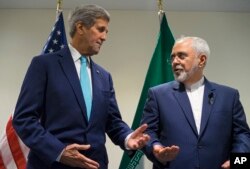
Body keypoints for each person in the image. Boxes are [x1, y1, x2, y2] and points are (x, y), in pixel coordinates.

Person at [12, 4, 150, 169]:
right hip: (52, 164)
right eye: (100, 29)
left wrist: (128, 138)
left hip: (95, 164)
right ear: (80, 27)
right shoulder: (44, 65)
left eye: (106, 32)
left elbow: (112, 121)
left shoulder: (104, 76)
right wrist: (59, 151)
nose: (104, 36)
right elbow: (24, 119)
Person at [140, 36, 250, 169]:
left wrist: (238, 162)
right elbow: (147, 132)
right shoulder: (157, 95)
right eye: (173, 57)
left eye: (181, 56)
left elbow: (242, 135)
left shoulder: (229, 96)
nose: (175, 61)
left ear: (202, 60)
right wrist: (156, 149)